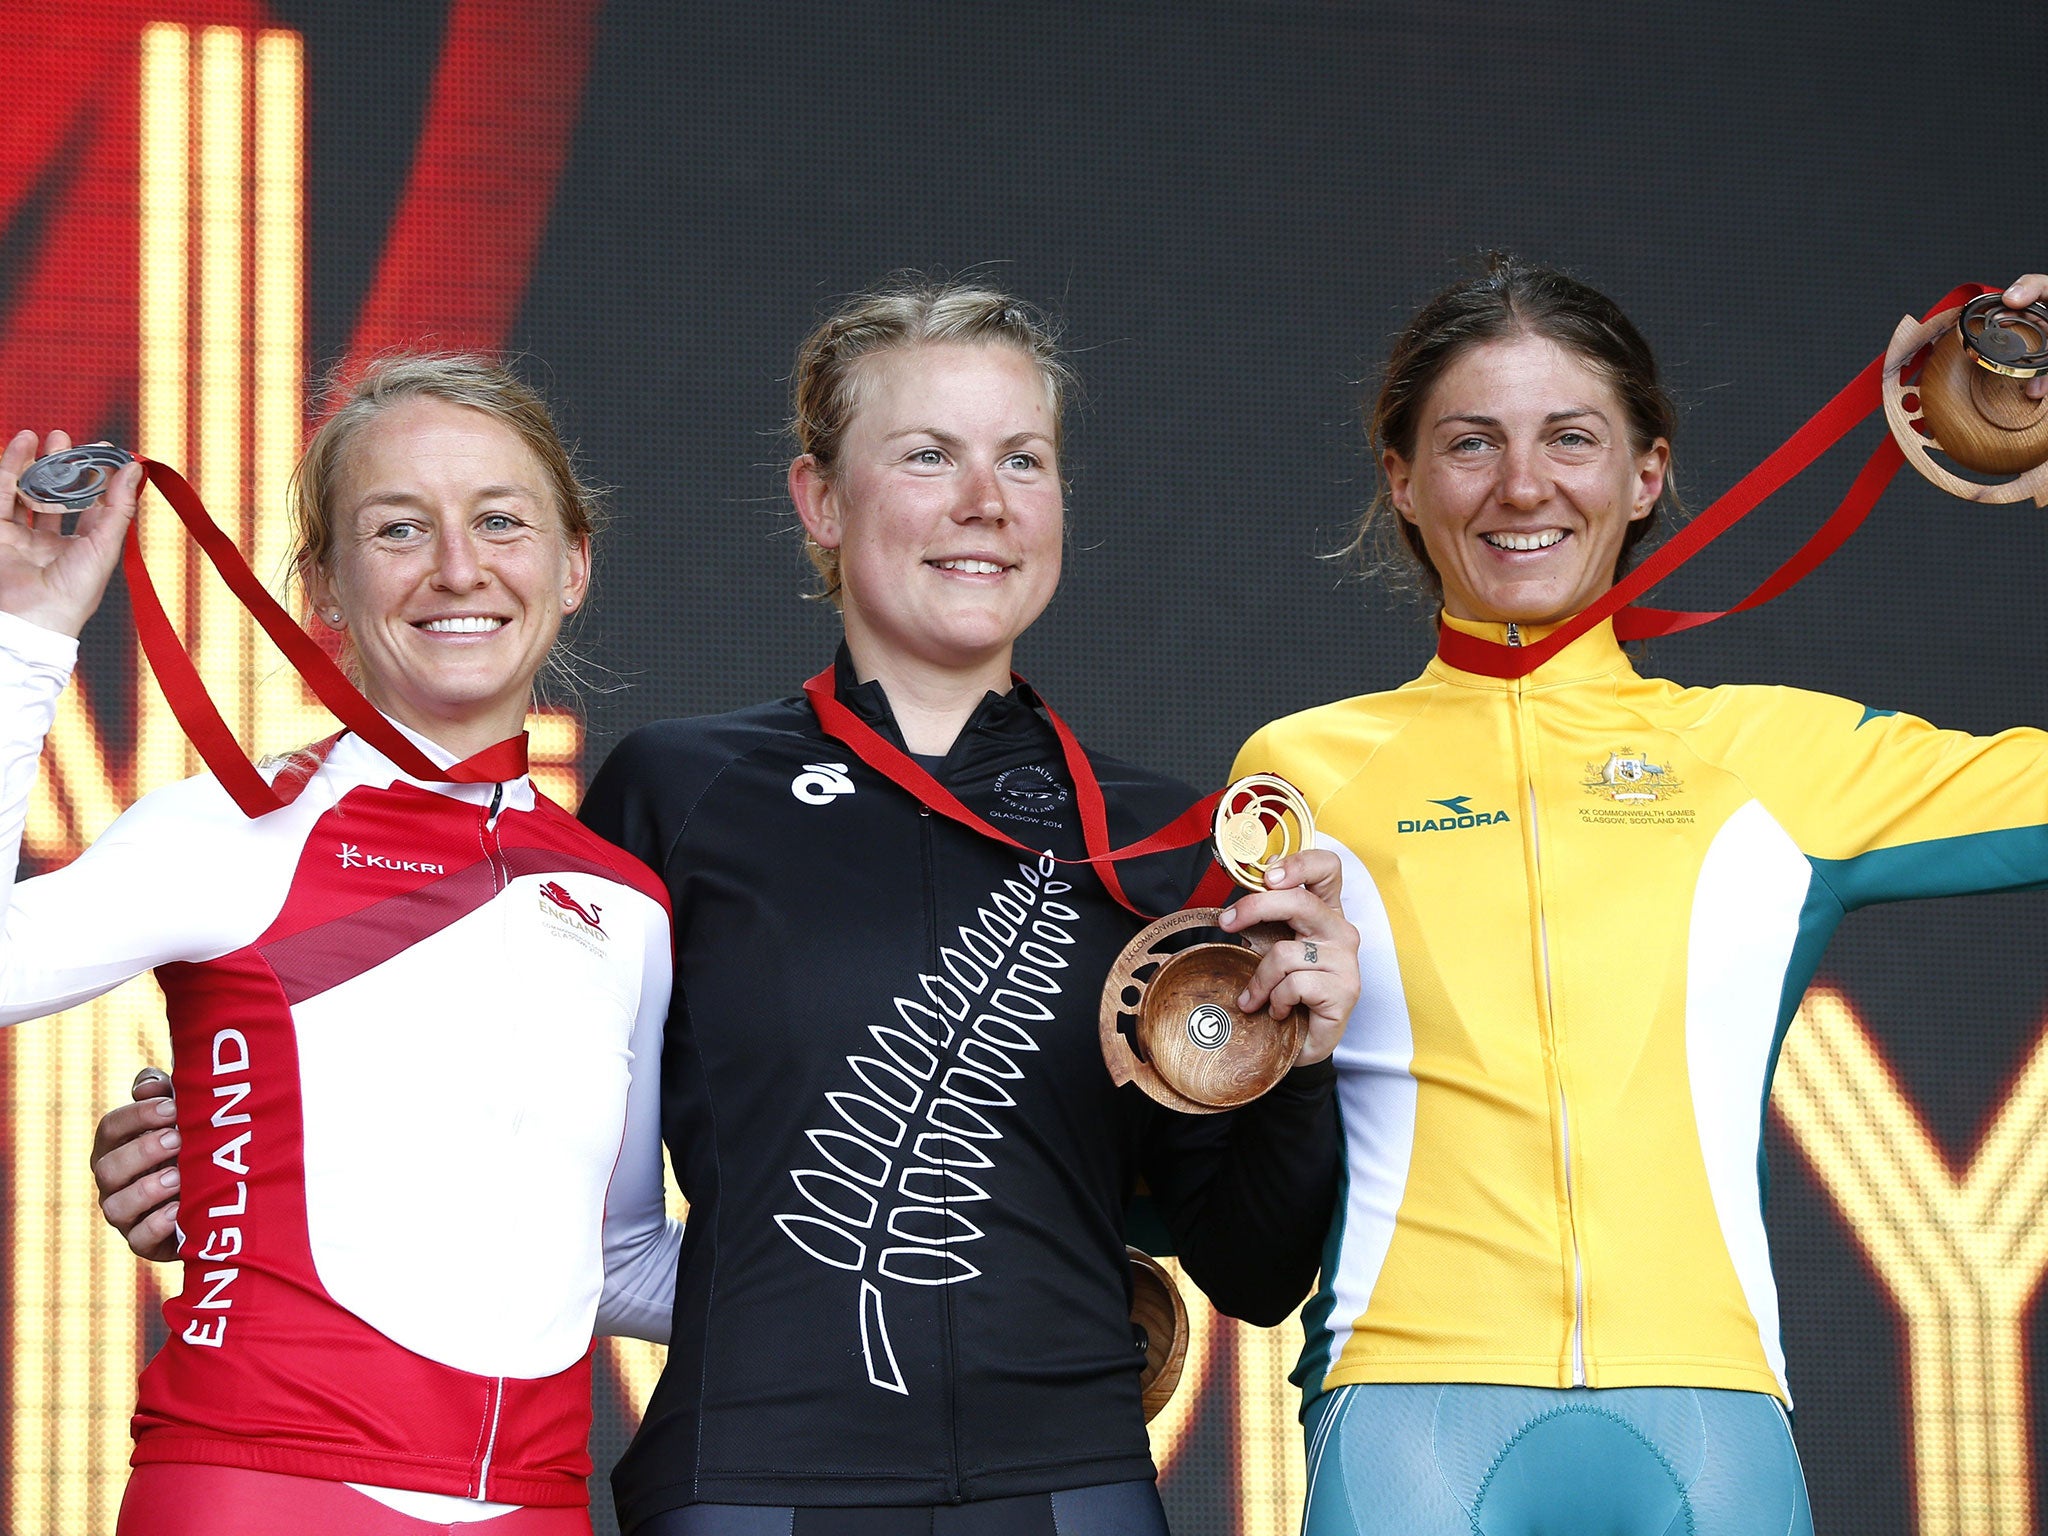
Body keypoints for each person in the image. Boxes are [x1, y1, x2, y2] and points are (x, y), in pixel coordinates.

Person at [95, 284, 1361, 1534]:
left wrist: (1301, 1062)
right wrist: (224, 1155)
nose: (984, 502)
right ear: (819, 499)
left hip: (1069, 1479)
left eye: (1020, 460)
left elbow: (1249, 1272)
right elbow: (494, 1110)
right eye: (926, 456)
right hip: (748, 1485)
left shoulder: (1159, 843)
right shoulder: (675, 792)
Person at [1228, 259, 2048, 1536]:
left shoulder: (1775, 759)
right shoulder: (1296, 775)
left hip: (1708, 1413)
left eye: (1570, 438)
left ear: (1644, 473)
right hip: (1404, 1407)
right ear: (1399, 479)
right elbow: (1201, 1104)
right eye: (1468, 444)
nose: (1521, 485)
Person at [10, 356, 680, 1535]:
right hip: (261, 1490)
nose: (458, 569)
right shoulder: (234, 827)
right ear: (321, 580)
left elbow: (617, 1260)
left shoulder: (621, 903)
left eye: (500, 523)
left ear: (572, 565)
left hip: (534, 1508)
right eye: (398, 528)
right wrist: (24, 634)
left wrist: (968, 1285)